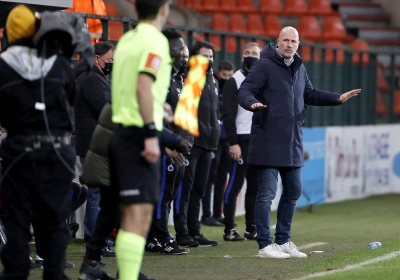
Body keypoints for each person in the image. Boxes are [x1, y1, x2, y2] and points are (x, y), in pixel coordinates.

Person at [237, 27, 361, 258]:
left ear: (298, 43)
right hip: (268, 139)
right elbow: (245, 91)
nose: (289, 44)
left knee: (294, 190)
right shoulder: (263, 65)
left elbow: (310, 94)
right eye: (285, 40)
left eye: (293, 41)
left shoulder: (299, 67)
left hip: (293, 141)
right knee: (266, 193)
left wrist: (337, 98)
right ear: (277, 41)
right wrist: (252, 103)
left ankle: (283, 240)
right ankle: (265, 244)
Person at [0, 5, 78, 279]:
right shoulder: (58, 62)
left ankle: (16, 272)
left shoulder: (2, 64)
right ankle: (54, 273)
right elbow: (72, 99)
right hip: (56, 151)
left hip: (17, 151)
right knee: (55, 220)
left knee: (17, 219)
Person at [108, 0, 173, 279]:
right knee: (139, 217)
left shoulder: (126, 39)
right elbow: (143, 85)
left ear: (135, 11)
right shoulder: (155, 40)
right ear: (164, 9)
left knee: (131, 217)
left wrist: (159, 107)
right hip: (137, 136)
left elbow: (134, 86)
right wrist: (150, 135)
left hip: (120, 132)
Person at [146, 32, 193, 255]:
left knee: (170, 194)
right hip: (164, 146)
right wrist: (166, 144)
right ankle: (162, 237)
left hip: (174, 143)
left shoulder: (175, 79)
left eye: (186, 53)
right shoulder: (157, 76)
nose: (184, 58)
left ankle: (154, 236)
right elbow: (151, 113)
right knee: (163, 194)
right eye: (181, 52)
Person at [174, 41, 220, 247]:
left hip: (208, 143)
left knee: (199, 189)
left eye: (211, 57)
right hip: (192, 142)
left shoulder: (212, 80)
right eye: (204, 56)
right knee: (186, 189)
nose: (208, 60)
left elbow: (214, 112)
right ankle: (182, 232)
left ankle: (195, 231)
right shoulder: (190, 79)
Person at [74, 41, 115, 248]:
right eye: (109, 61)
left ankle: (97, 238)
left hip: (93, 143)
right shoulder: (91, 78)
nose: (111, 65)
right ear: (96, 59)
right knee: (96, 195)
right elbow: (105, 107)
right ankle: (94, 239)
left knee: (98, 194)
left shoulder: (92, 76)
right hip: (93, 144)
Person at [222, 42, 261, 241]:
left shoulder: (264, 81)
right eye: (247, 53)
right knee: (236, 184)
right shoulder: (234, 81)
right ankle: (229, 228)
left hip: (258, 140)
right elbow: (228, 115)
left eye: (254, 53)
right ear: (242, 56)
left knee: (254, 186)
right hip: (241, 140)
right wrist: (233, 142)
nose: (250, 56)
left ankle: (251, 227)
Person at [201, 61, 235, 227]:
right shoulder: (212, 87)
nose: (227, 79)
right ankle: (206, 215)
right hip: (213, 140)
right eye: (224, 75)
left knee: (222, 178)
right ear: (218, 73)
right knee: (210, 178)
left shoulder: (232, 90)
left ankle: (217, 213)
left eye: (230, 76)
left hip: (227, 139)